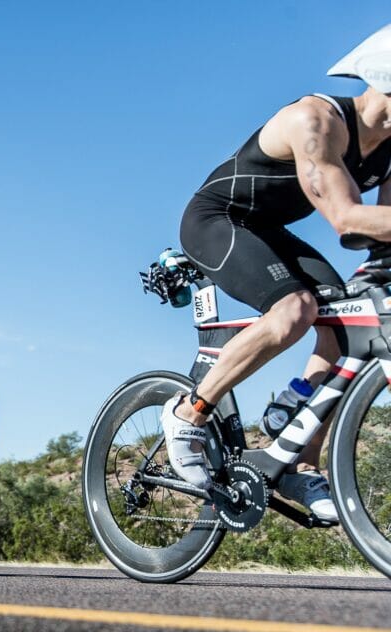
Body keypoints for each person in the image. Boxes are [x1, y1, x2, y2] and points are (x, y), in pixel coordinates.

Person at [162, 25, 391, 521]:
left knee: (349, 325)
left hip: (268, 229)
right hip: (217, 220)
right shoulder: (316, 120)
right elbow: (348, 219)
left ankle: (297, 461)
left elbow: (380, 241)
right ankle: (188, 413)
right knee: (296, 309)